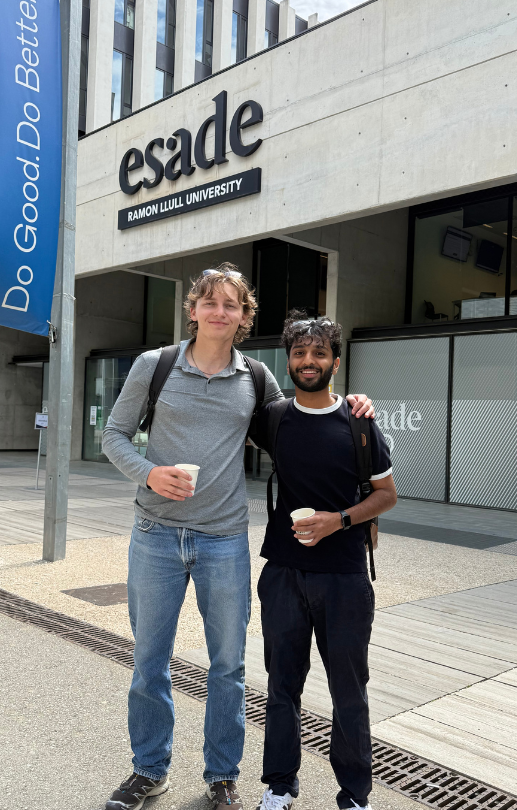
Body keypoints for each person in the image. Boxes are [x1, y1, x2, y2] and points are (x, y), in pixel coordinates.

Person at [101, 265, 378, 810]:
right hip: (155, 533)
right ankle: (149, 769)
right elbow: (113, 434)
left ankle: (222, 776)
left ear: (245, 316)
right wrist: (150, 473)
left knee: (227, 665)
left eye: (231, 304)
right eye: (209, 302)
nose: (219, 312)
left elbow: (302, 414)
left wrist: (352, 406)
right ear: (193, 309)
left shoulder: (254, 379)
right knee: (149, 661)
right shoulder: (153, 366)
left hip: (224, 539)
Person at [248, 313, 396, 810]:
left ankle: (354, 794)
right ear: (288, 360)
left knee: (349, 690)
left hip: (345, 576)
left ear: (335, 360)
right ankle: (279, 784)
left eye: (318, 354)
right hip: (283, 571)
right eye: (298, 353)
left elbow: (386, 495)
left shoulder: (359, 422)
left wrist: (340, 521)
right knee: (282, 684)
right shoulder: (273, 419)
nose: (308, 362)